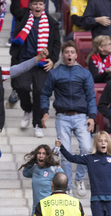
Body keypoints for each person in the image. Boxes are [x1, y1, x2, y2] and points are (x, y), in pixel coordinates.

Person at [40, 41, 96, 195]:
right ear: (62, 55)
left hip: (81, 116)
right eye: (66, 52)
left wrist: (92, 116)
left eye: (72, 52)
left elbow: (91, 97)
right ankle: (68, 186)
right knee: (64, 153)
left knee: (86, 148)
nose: (69, 55)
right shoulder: (55, 73)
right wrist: (45, 112)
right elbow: (45, 93)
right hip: (62, 117)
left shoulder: (84, 73)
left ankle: (79, 179)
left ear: (76, 55)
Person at [9, 0, 61, 136]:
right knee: (20, 86)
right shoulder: (23, 16)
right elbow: (14, 9)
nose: (38, 7)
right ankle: (27, 109)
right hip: (23, 61)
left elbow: (56, 44)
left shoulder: (51, 22)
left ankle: (37, 124)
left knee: (40, 92)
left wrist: (53, 60)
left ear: (44, 6)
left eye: (40, 4)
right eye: (35, 4)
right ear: (30, 6)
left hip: (42, 64)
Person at [20, 144, 64, 216]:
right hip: (36, 210)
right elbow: (25, 173)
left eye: (44, 154)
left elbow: (65, 184)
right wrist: (33, 160)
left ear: (48, 156)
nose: (41, 156)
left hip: (50, 210)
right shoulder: (35, 169)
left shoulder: (54, 169)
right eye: (39, 153)